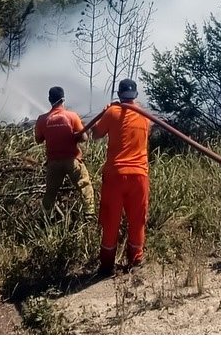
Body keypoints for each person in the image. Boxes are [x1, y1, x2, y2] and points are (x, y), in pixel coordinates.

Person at [92, 78, 151, 275]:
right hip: (139, 176)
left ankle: (107, 265)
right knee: (137, 219)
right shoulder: (145, 116)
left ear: (119, 95)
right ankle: (136, 261)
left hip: (115, 175)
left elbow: (96, 135)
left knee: (110, 220)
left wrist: (105, 112)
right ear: (135, 95)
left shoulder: (112, 112)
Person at [34, 86, 96, 219]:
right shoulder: (72, 116)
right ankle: (89, 213)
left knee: (50, 192)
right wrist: (76, 135)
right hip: (72, 160)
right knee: (84, 185)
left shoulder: (42, 119)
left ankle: (45, 217)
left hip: (53, 163)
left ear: (49, 99)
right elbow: (84, 138)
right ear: (63, 99)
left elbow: (38, 139)